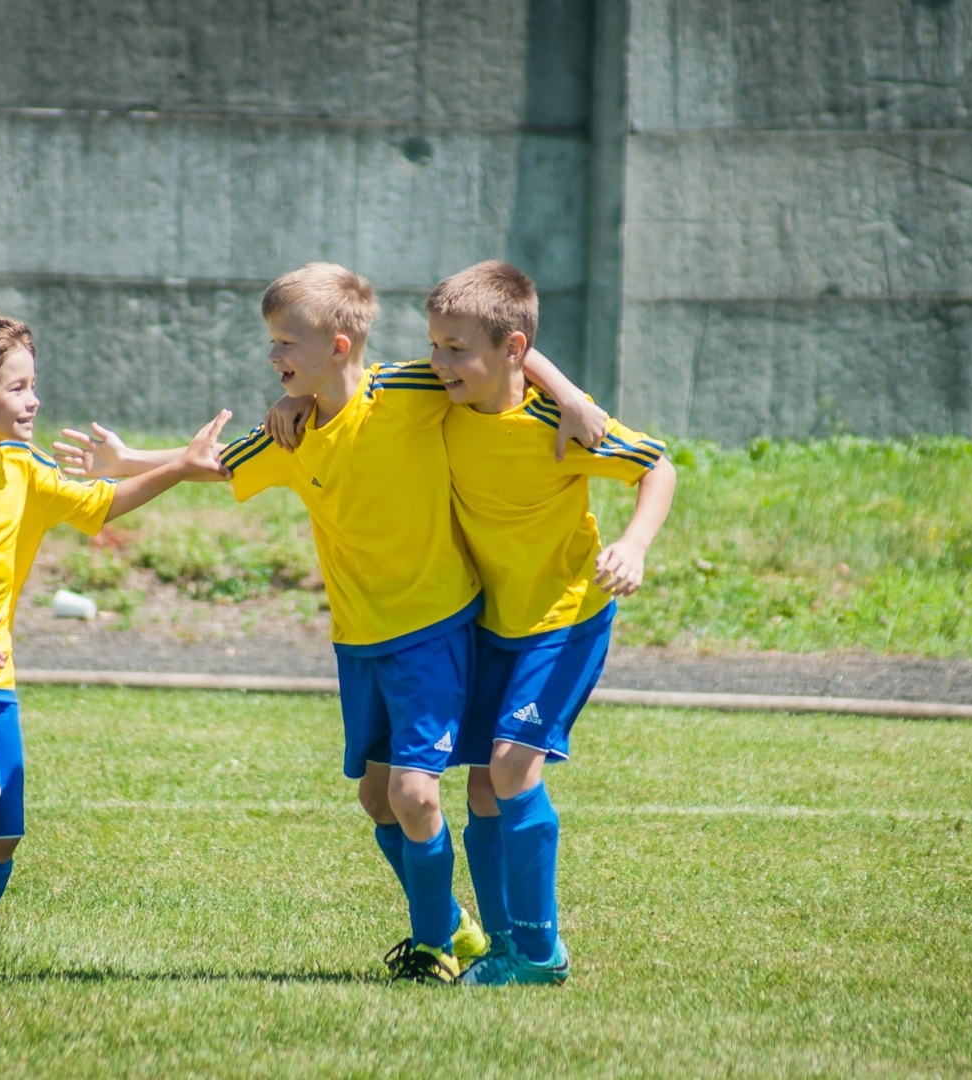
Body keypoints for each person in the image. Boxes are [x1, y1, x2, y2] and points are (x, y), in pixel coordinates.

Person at [53, 263, 605, 983]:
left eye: (286, 342)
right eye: (273, 343)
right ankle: (458, 930)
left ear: (339, 347)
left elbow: (503, 350)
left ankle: (438, 939)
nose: (273, 356)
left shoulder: (412, 388)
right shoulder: (295, 430)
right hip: (359, 638)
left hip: (438, 628)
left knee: (415, 793)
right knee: (377, 797)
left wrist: (568, 396)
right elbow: (218, 463)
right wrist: (127, 463)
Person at [0, 307, 229, 986]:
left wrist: (180, 466)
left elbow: (102, 501)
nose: (36, 399)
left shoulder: (23, 468)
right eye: (19, 388)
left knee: (1, 837)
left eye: (33, 384)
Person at [428, 261, 676, 985]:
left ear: (508, 351)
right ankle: (504, 947)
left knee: (509, 768)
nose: (439, 362)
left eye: (456, 349)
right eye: (435, 345)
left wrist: (632, 546)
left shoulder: (561, 424)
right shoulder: (437, 395)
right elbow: (353, 391)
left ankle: (540, 953)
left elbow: (657, 467)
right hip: (487, 621)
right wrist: (294, 409)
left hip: (565, 617)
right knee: (481, 787)